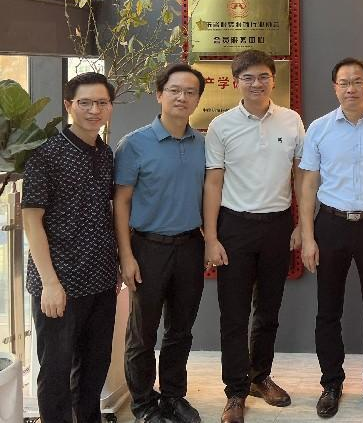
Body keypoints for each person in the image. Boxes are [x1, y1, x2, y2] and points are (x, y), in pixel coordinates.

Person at [298, 57, 363, 418]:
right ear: (335, 88)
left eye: (357, 81)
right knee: (328, 310)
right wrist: (308, 236)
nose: (351, 88)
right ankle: (331, 383)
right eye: (344, 83)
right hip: (331, 225)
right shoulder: (319, 129)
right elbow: (308, 184)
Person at [203, 50, 304, 423]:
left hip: (278, 224)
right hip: (234, 226)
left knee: (268, 309)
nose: (256, 83)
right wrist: (211, 237)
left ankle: (260, 376)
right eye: (248, 78)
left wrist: (301, 224)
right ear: (236, 83)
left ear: (273, 80)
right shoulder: (221, 126)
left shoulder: (292, 121)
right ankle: (235, 391)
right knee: (233, 313)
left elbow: (301, 175)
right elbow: (213, 183)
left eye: (263, 76)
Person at [22, 72, 119, 423]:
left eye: (102, 103)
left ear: (110, 107)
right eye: (85, 103)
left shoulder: (105, 153)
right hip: (59, 282)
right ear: (69, 105)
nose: (94, 110)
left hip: (101, 279)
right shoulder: (45, 155)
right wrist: (50, 282)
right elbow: (31, 220)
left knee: (94, 367)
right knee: (56, 371)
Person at [114, 63, 208, 423]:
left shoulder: (202, 144)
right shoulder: (134, 144)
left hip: (190, 247)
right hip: (147, 248)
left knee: (181, 330)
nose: (182, 97)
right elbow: (121, 202)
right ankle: (143, 404)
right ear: (159, 95)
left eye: (190, 92)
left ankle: (172, 397)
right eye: (174, 90)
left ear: (198, 99)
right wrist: (126, 255)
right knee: (142, 333)